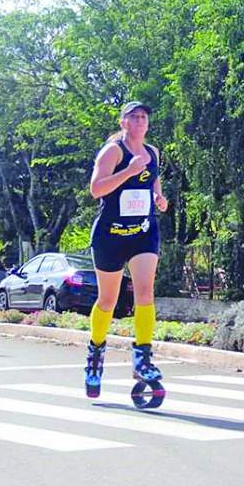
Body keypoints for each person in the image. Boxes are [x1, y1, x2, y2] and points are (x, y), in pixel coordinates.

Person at [85, 101, 169, 398]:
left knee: (145, 292)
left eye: (143, 117)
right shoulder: (113, 151)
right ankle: (95, 355)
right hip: (111, 234)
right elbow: (96, 189)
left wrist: (160, 198)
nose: (139, 121)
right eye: (133, 117)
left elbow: (153, 183)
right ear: (123, 123)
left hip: (143, 233)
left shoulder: (153, 153)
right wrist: (128, 171)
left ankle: (142, 357)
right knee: (108, 300)